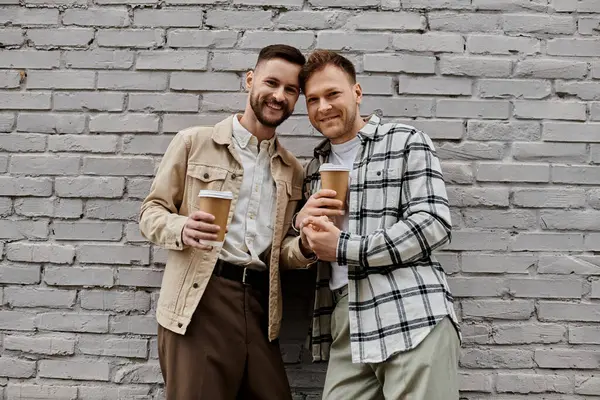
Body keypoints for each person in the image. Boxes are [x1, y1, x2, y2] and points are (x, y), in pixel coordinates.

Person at [139, 44, 315, 400]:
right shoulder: (195, 142)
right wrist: (183, 228)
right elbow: (151, 212)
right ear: (250, 80)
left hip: (261, 305)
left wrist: (308, 246)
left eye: (291, 90)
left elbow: (280, 253)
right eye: (271, 82)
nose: (279, 96)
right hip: (201, 300)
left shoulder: (292, 169)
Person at [294, 50, 461, 400]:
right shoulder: (314, 167)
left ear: (357, 92)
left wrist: (344, 247)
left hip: (409, 310)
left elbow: (433, 223)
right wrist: (304, 231)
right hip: (346, 316)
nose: (323, 107)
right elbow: (309, 246)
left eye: (332, 94)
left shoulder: (405, 141)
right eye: (312, 100)